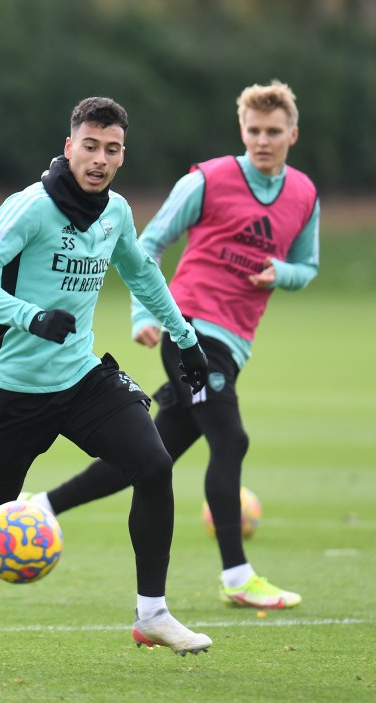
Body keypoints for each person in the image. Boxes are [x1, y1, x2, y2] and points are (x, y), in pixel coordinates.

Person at [0, 97, 213, 656]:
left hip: (82, 383)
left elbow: (142, 275)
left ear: (123, 155)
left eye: (111, 149)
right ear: (69, 146)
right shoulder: (31, 207)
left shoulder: (115, 212)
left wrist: (187, 340)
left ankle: (153, 613)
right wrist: (29, 316)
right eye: (90, 146)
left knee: (152, 464)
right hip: (12, 392)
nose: (99, 159)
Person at [28, 81, 317, 610]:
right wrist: (146, 315)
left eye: (273, 132)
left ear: (291, 135)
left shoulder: (304, 194)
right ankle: (237, 575)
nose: (262, 140)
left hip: (235, 341)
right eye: (253, 131)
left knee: (151, 457)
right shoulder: (208, 180)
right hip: (191, 332)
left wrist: (284, 272)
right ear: (242, 131)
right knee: (231, 439)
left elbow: (309, 266)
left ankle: (43, 505)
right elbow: (147, 246)